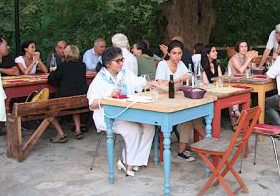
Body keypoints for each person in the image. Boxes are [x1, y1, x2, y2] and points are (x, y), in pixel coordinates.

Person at [87, 47, 155, 176]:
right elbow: (92, 104)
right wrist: (108, 96)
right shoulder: (99, 80)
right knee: (134, 129)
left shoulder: (125, 73)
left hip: (127, 113)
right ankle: (127, 162)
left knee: (150, 126)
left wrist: (151, 83)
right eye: (117, 61)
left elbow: (139, 83)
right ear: (108, 63)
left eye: (122, 60)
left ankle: (134, 161)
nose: (121, 63)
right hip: (107, 117)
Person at [155, 40, 205, 161]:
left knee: (191, 114)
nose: (177, 56)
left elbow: (189, 75)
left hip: (176, 98)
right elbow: (161, 83)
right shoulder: (162, 64)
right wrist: (179, 79)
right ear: (169, 53)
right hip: (163, 100)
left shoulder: (181, 64)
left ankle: (186, 149)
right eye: (174, 53)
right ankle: (209, 142)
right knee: (189, 115)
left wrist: (190, 76)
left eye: (179, 53)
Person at [48, 45, 88, 141]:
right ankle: (78, 130)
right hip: (80, 99)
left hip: (65, 100)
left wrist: (58, 83)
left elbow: (51, 79)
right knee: (74, 102)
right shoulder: (82, 66)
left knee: (47, 107)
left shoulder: (63, 66)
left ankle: (60, 133)